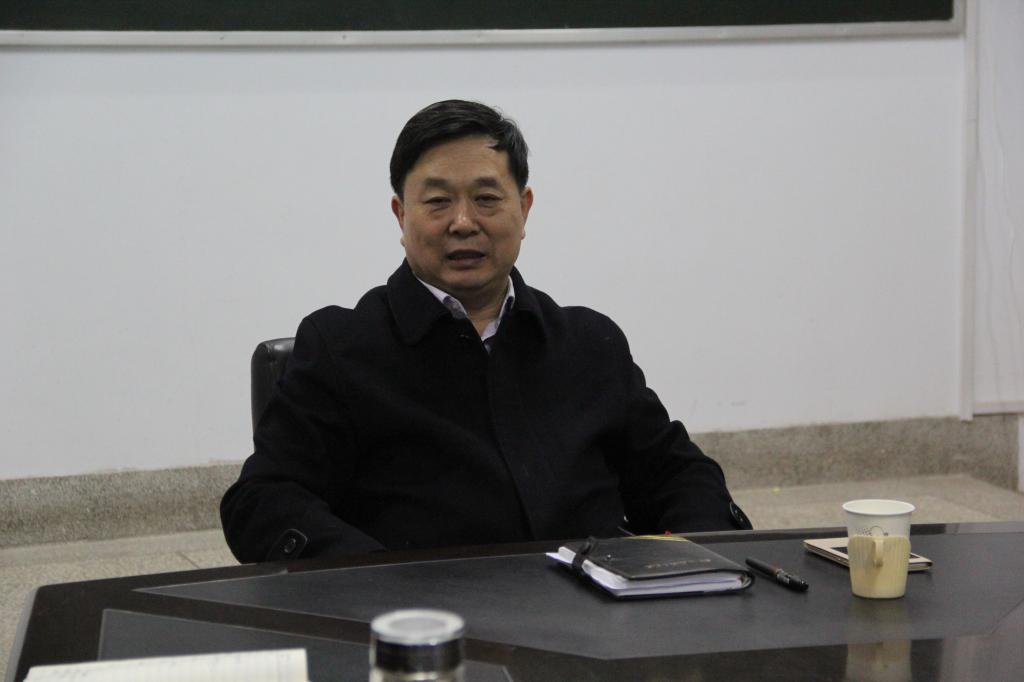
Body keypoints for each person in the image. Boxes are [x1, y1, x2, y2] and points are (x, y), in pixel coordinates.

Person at [221, 100, 751, 563]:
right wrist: (380, 582)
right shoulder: (341, 348)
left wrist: (699, 561)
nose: (463, 222)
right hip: (430, 622)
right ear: (400, 216)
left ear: (524, 208)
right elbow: (264, 498)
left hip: (596, 616)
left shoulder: (590, 343)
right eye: (437, 201)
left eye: (487, 198)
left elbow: (678, 475)